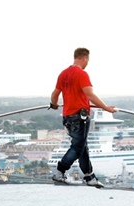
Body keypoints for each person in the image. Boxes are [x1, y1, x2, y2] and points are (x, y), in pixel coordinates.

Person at [49, 47, 116, 187]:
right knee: (77, 148)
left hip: (67, 117)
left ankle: (89, 177)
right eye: (88, 60)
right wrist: (106, 108)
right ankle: (60, 171)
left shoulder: (64, 74)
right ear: (84, 58)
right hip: (80, 117)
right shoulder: (81, 74)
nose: (87, 63)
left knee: (81, 146)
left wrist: (54, 105)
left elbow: (55, 95)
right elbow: (90, 94)